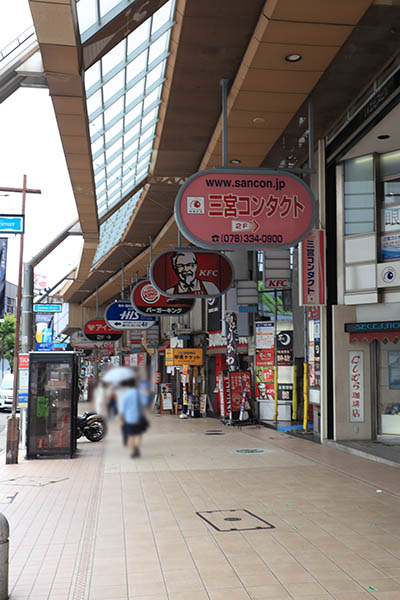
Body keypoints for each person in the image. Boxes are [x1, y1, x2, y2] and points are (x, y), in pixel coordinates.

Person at [119, 378, 149, 458]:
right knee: (138, 435)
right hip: (138, 418)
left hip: (129, 419)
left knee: (130, 436)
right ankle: (136, 448)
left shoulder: (126, 395)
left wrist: (121, 420)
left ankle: (132, 452)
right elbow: (144, 403)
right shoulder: (139, 393)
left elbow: (122, 409)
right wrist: (146, 394)